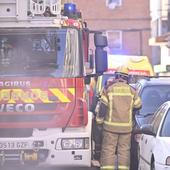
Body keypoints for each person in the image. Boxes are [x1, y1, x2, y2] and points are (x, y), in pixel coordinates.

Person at [96, 66, 142, 170]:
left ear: (116, 76)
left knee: (108, 150)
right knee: (124, 151)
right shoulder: (132, 91)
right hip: (126, 129)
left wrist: (99, 122)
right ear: (127, 78)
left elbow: (102, 107)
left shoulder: (108, 89)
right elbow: (138, 105)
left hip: (110, 128)